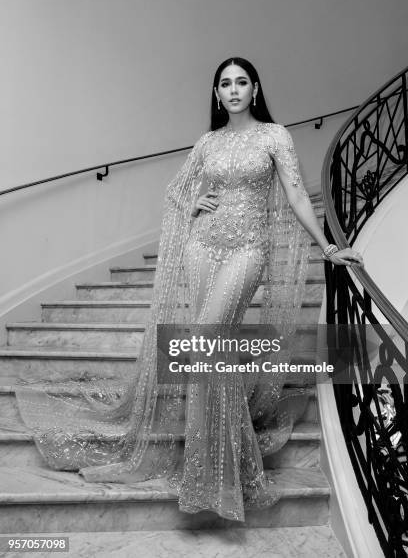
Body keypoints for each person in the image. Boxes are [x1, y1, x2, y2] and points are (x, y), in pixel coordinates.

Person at [14, 57, 363, 523]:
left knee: (206, 335)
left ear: (255, 90)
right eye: (225, 83)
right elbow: (177, 191)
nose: (234, 90)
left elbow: (298, 192)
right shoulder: (208, 143)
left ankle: (213, 472)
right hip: (203, 246)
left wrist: (327, 246)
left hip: (247, 250)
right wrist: (193, 202)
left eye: (242, 82)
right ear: (217, 94)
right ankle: (214, 470)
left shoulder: (274, 136)